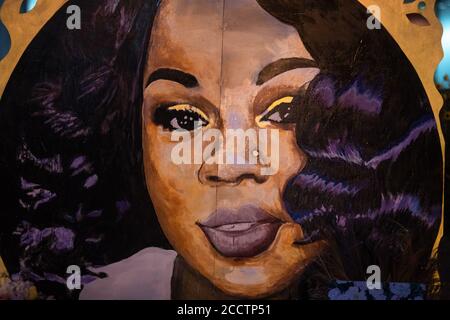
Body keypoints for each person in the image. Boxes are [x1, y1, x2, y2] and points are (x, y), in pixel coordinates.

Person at [0, 0, 443, 299]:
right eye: (182, 119)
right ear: (131, 137)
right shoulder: (103, 290)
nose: (229, 165)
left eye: (286, 110)